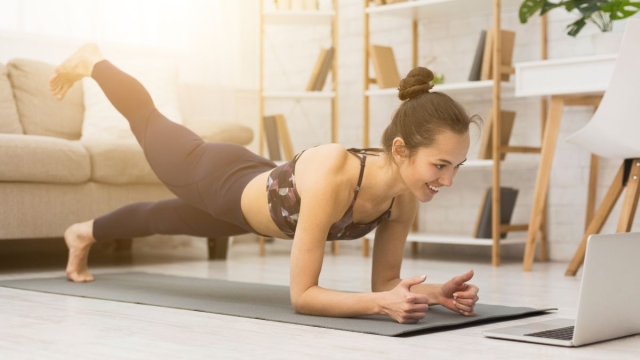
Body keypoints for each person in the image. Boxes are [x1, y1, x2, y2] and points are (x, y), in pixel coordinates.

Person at [49, 44, 480, 324]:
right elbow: (303, 296)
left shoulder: (402, 198)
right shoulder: (337, 172)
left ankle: (81, 232)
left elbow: (386, 283)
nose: (448, 180)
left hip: (248, 200)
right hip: (215, 175)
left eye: (457, 166)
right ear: (402, 150)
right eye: (440, 165)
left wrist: (435, 294)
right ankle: (93, 61)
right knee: (148, 120)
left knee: (161, 217)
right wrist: (379, 306)